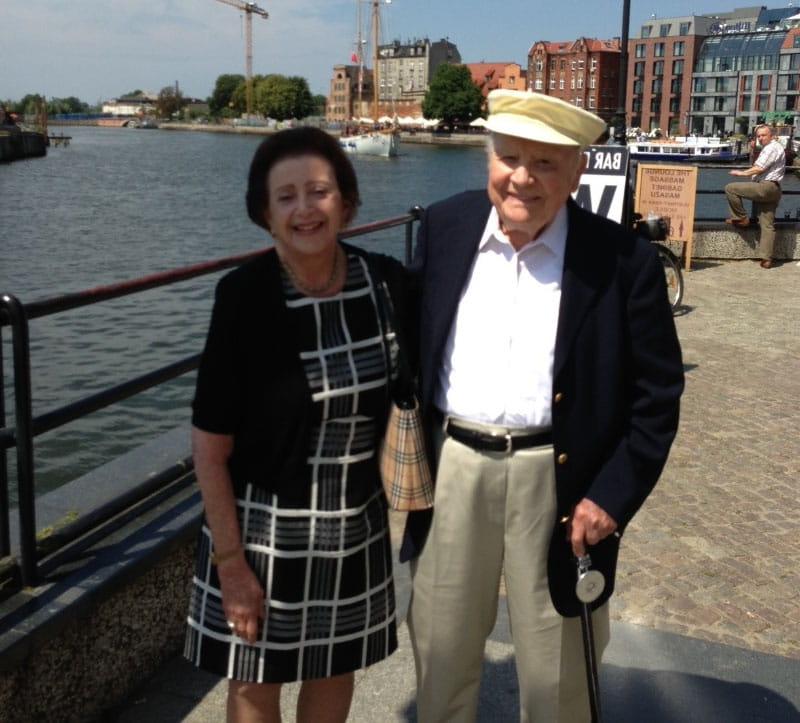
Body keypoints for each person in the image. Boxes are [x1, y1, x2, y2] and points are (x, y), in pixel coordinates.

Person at [401, 89, 685, 722]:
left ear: (577, 171)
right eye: (509, 157)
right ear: (488, 159)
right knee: (440, 652)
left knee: (559, 676)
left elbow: (658, 395)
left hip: (562, 482)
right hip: (454, 470)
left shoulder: (622, 261)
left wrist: (612, 496)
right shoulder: (444, 228)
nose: (522, 178)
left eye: (546, 163)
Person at [184, 127, 410, 722]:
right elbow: (209, 449)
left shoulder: (386, 284)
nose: (305, 209)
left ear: (347, 201)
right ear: (264, 213)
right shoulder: (242, 298)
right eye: (286, 197)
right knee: (257, 681)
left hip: (354, 525)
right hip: (262, 532)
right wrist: (231, 566)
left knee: (335, 671)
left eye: (319, 191)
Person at [725, 124, 785, 269]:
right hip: (775, 189)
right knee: (767, 225)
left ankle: (741, 218)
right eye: (758, 135)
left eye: (763, 135)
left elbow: (759, 168)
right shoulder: (776, 147)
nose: (760, 138)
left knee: (731, 188)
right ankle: (766, 259)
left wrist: (742, 173)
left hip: (765, 187)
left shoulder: (771, 147)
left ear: (771, 135)